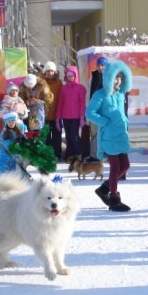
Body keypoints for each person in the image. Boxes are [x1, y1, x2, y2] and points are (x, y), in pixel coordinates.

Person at [86, 60, 133, 212]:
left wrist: (125, 122)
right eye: (115, 77)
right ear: (108, 78)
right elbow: (89, 113)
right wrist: (104, 122)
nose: (118, 81)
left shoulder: (120, 94)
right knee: (115, 166)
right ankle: (114, 199)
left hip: (121, 135)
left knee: (125, 165)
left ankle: (104, 188)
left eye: (120, 77)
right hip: (109, 136)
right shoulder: (100, 94)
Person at [56, 66, 87, 160]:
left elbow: (83, 104)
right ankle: (70, 155)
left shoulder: (81, 88)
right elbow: (60, 103)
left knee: (74, 135)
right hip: (65, 117)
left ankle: (78, 154)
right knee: (68, 136)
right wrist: (58, 118)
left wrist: (82, 117)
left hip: (76, 117)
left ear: (75, 76)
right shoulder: (63, 89)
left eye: (72, 76)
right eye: (68, 76)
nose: (70, 78)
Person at [41, 61, 64, 161]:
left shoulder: (59, 83)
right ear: (44, 72)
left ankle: (57, 155)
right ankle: (47, 155)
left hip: (56, 114)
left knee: (57, 137)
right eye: (48, 71)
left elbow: (62, 97)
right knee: (46, 137)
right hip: (43, 115)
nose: (50, 73)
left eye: (52, 71)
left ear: (55, 72)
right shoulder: (40, 82)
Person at [19, 73, 52, 138]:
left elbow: (49, 99)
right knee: (31, 132)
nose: (30, 88)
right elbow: (20, 99)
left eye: (31, 86)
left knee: (40, 131)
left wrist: (38, 101)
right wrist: (27, 102)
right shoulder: (23, 87)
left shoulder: (43, 86)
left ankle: (40, 144)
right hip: (28, 113)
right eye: (28, 87)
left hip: (40, 112)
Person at [0, 110, 29, 176]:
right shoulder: (4, 133)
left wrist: (24, 139)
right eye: (9, 121)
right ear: (6, 122)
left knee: (19, 168)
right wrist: (16, 142)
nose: (11, 123)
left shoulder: (20, 128)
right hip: (5, 155)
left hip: (17, 155)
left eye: (13, 120)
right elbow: (7, 146)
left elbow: (27, 138)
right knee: (5, 173)